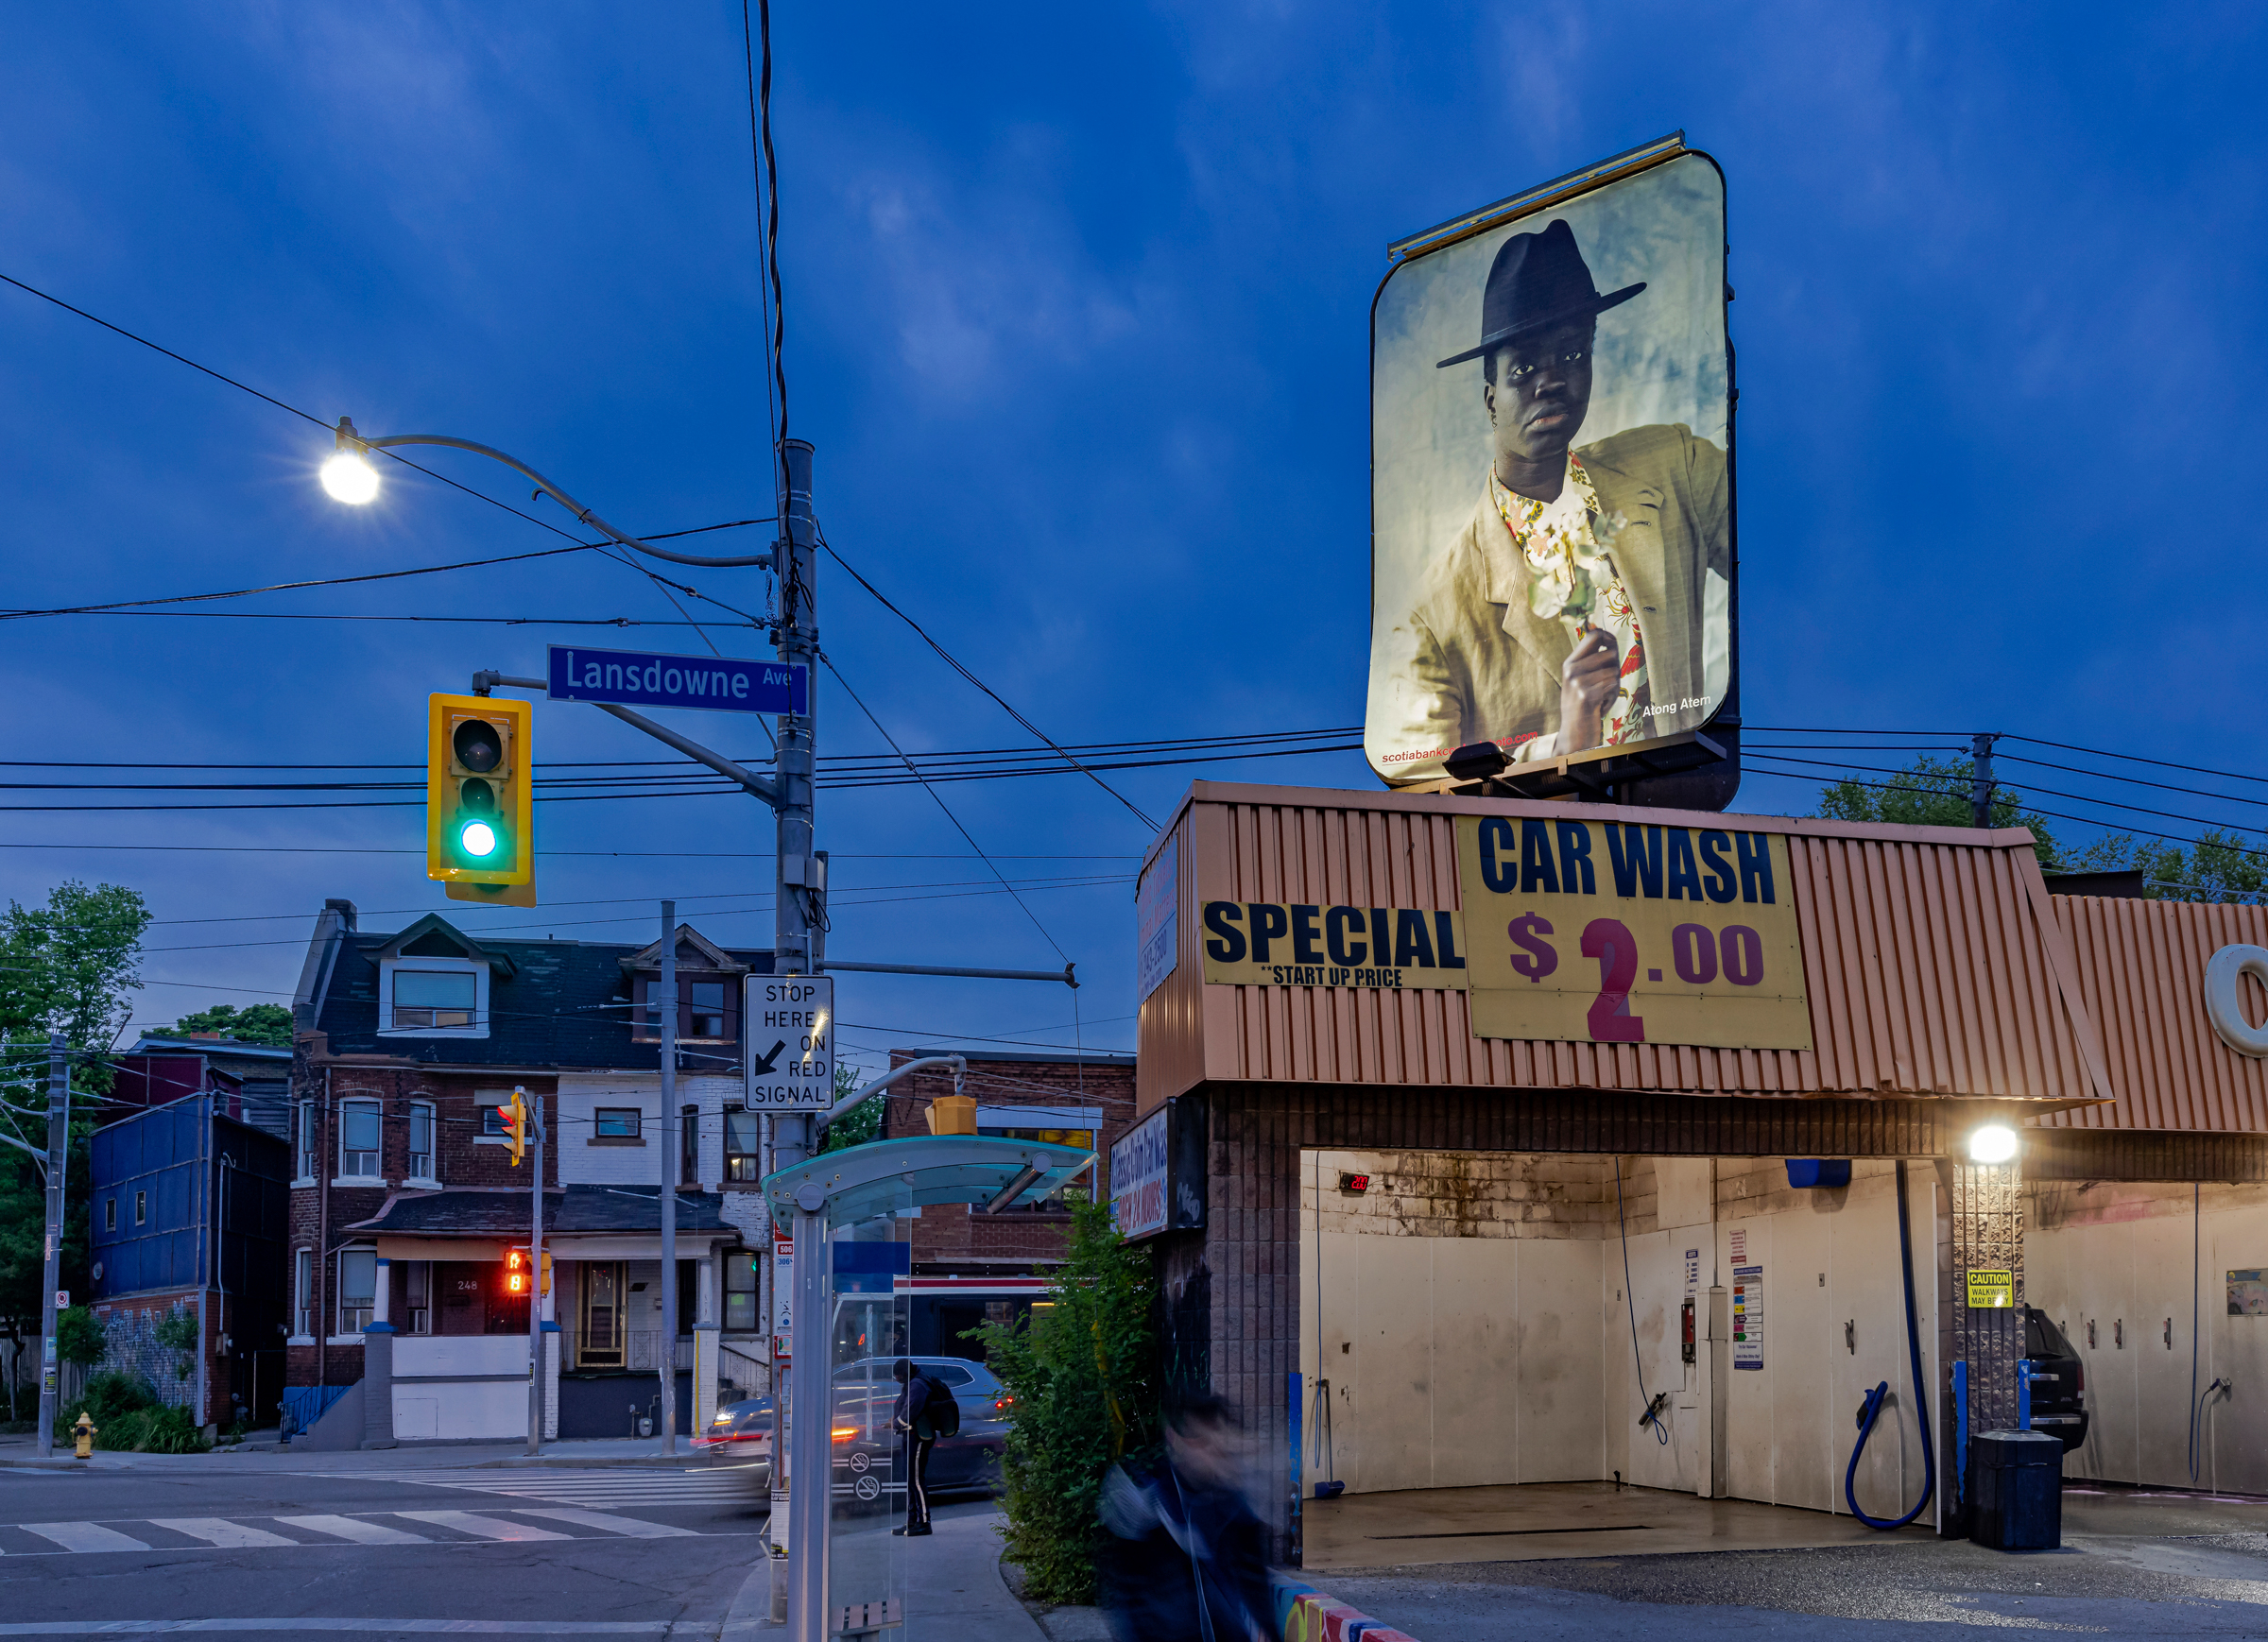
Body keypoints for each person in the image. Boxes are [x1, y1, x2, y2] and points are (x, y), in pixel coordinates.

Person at [1367, 215, 1728, 781]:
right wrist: (1568, 741)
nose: (1552, 380)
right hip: (1547, 858)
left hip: (1680, 827)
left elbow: (1775, 559)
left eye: (1572, 355)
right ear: (1491, 400)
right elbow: (1423, 794)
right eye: (1524, 368)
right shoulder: (1432, 617)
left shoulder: (1673, 463)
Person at [1096, 1394, 1272, 1642]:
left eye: (1217, 1436)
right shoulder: (1147, 1506)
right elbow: (1125, 1596)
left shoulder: (1237, 1511)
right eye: (1200, 1439)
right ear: (1175, 1440)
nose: (1211, 1448)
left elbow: (1257, 1591)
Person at [889, 1359, 936, 1537]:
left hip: (917, 1436)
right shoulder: (914, 1381)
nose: (897, 1379)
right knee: (910, 1480)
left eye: (898, 1376)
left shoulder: (917, 1385)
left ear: (904, 1374)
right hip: (911, 1435)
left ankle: (924, 1522)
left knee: (916, 1480)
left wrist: (895, 1424)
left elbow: (910, 1412)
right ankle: (912, 1521)